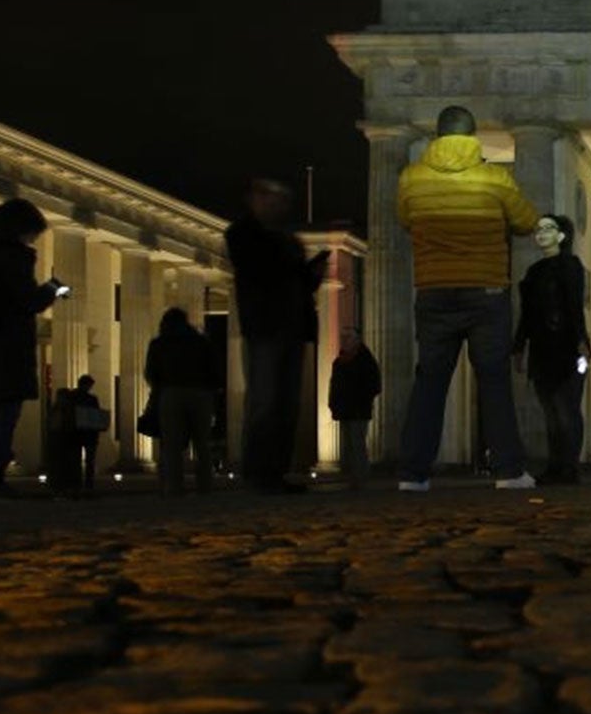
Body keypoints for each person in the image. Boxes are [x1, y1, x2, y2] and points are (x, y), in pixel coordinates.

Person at [394, 105, 541, 492]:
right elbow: (526, 221)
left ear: (437, 136)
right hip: (486, 290)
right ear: (472, 136)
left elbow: (405, 219)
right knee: (493, 381)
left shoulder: (412, 178)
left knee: (429, 382)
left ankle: (413, 473)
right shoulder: (494, 179)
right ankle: (508, 471)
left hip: (433, 290)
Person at [225, 177, 325, 495]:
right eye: (275, 197)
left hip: (294, 326)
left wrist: (313, 273)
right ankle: (257, 473)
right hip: (265, 326)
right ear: (256, 199)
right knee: (266, 400)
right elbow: (260, 272)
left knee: (287, 402)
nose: (281, 204)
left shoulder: (288, 240)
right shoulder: (243, 234)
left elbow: (298, 283)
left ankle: (276, 471)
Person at [0, 197, 64, 499]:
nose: (33, 239)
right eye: (33, 233)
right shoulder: (12, 257)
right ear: (21, 229)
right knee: (4, 412)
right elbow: (27, 301)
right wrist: (52, 288)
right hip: (6, 344)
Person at [513, 213, 591, 485]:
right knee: (549, 410)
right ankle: (555, 465)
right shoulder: (533, 273)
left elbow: (573, 306)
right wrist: (519, 346)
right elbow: (527, 314)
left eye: (548, 228)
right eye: (538, 229)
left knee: (567, 407)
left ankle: (569, 466)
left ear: (562, 235)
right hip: (541, 347)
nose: (541, 233)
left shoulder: (572, 265)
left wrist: (582, 341)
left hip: (568, 345)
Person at [145, 306, 216, 496]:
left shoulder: (159, 343)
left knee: (172, 443)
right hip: (200, 393)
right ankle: (205, 486)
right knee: (202, 442)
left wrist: (158, 388)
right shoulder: (201, 343)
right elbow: (213, 369)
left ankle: (174, 486)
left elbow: (150, 372)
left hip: (171, 392)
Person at [326, 326, 382, 490]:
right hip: (345, 409)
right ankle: (352, 477)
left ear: (357, 340)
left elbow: (374, 385)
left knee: (357, 444)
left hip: (359, 409)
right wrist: (333, 404)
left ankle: (361, 477)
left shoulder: (365, 361)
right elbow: (334, 385)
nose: (344, 341)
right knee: (348, 445)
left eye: (348, 338)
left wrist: (361, 399)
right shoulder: (339, 362)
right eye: (343, 337)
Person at [69, 374, 108, 490]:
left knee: (77, 461)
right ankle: (87, 486)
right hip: (87, 434)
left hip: (78, 433)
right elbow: (96, 415)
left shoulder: (72, 397)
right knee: (87, 462)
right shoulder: (91, 399)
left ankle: (77, 486)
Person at [45, 386, 82, 495]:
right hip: (60, 440)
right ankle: (62, 486)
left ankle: (64, 486)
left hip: (64, 440)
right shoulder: (61, 409)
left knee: (64, 465)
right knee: (61, 465)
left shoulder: (62, 409)